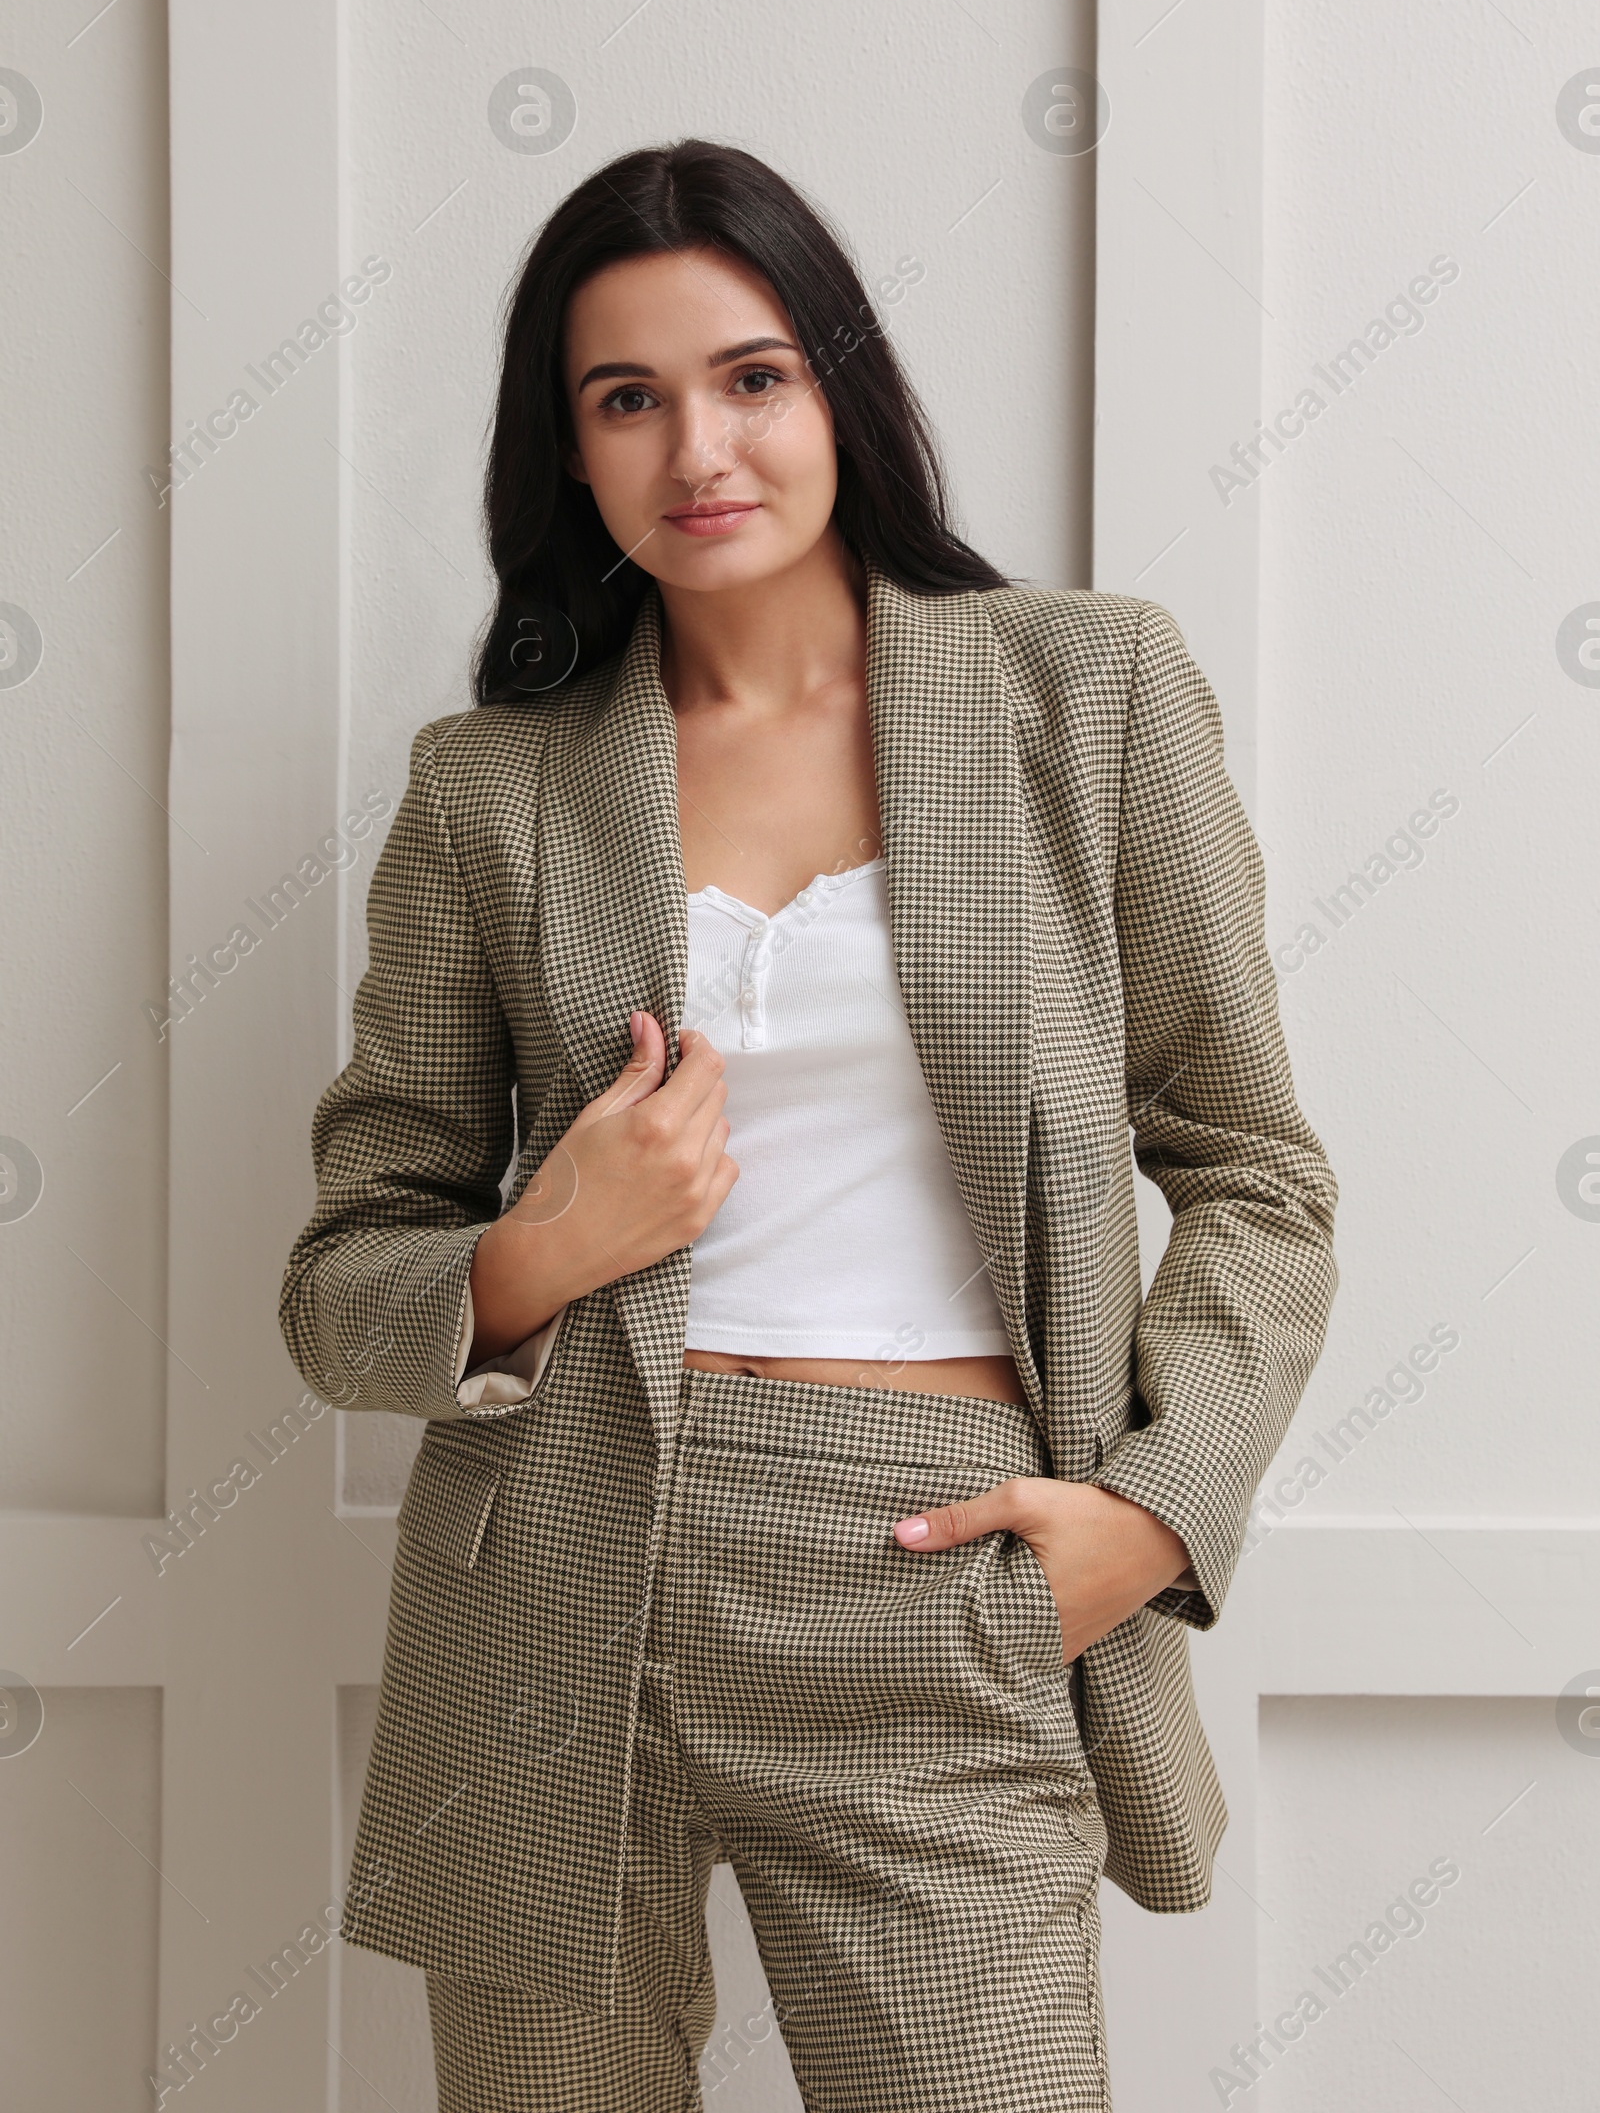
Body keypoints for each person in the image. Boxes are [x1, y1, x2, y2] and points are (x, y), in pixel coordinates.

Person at [279, 137, 1338, 2112]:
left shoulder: (1080, 693)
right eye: (626, 397)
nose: (699, 443)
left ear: (839, 388)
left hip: (935, 1558)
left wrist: (1149, 1513)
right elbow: (341, 1283)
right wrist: (537, 1248)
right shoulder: (487, 792)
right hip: (552, 1583)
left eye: (750, 375)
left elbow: (1253, 1169)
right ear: (568, 452)